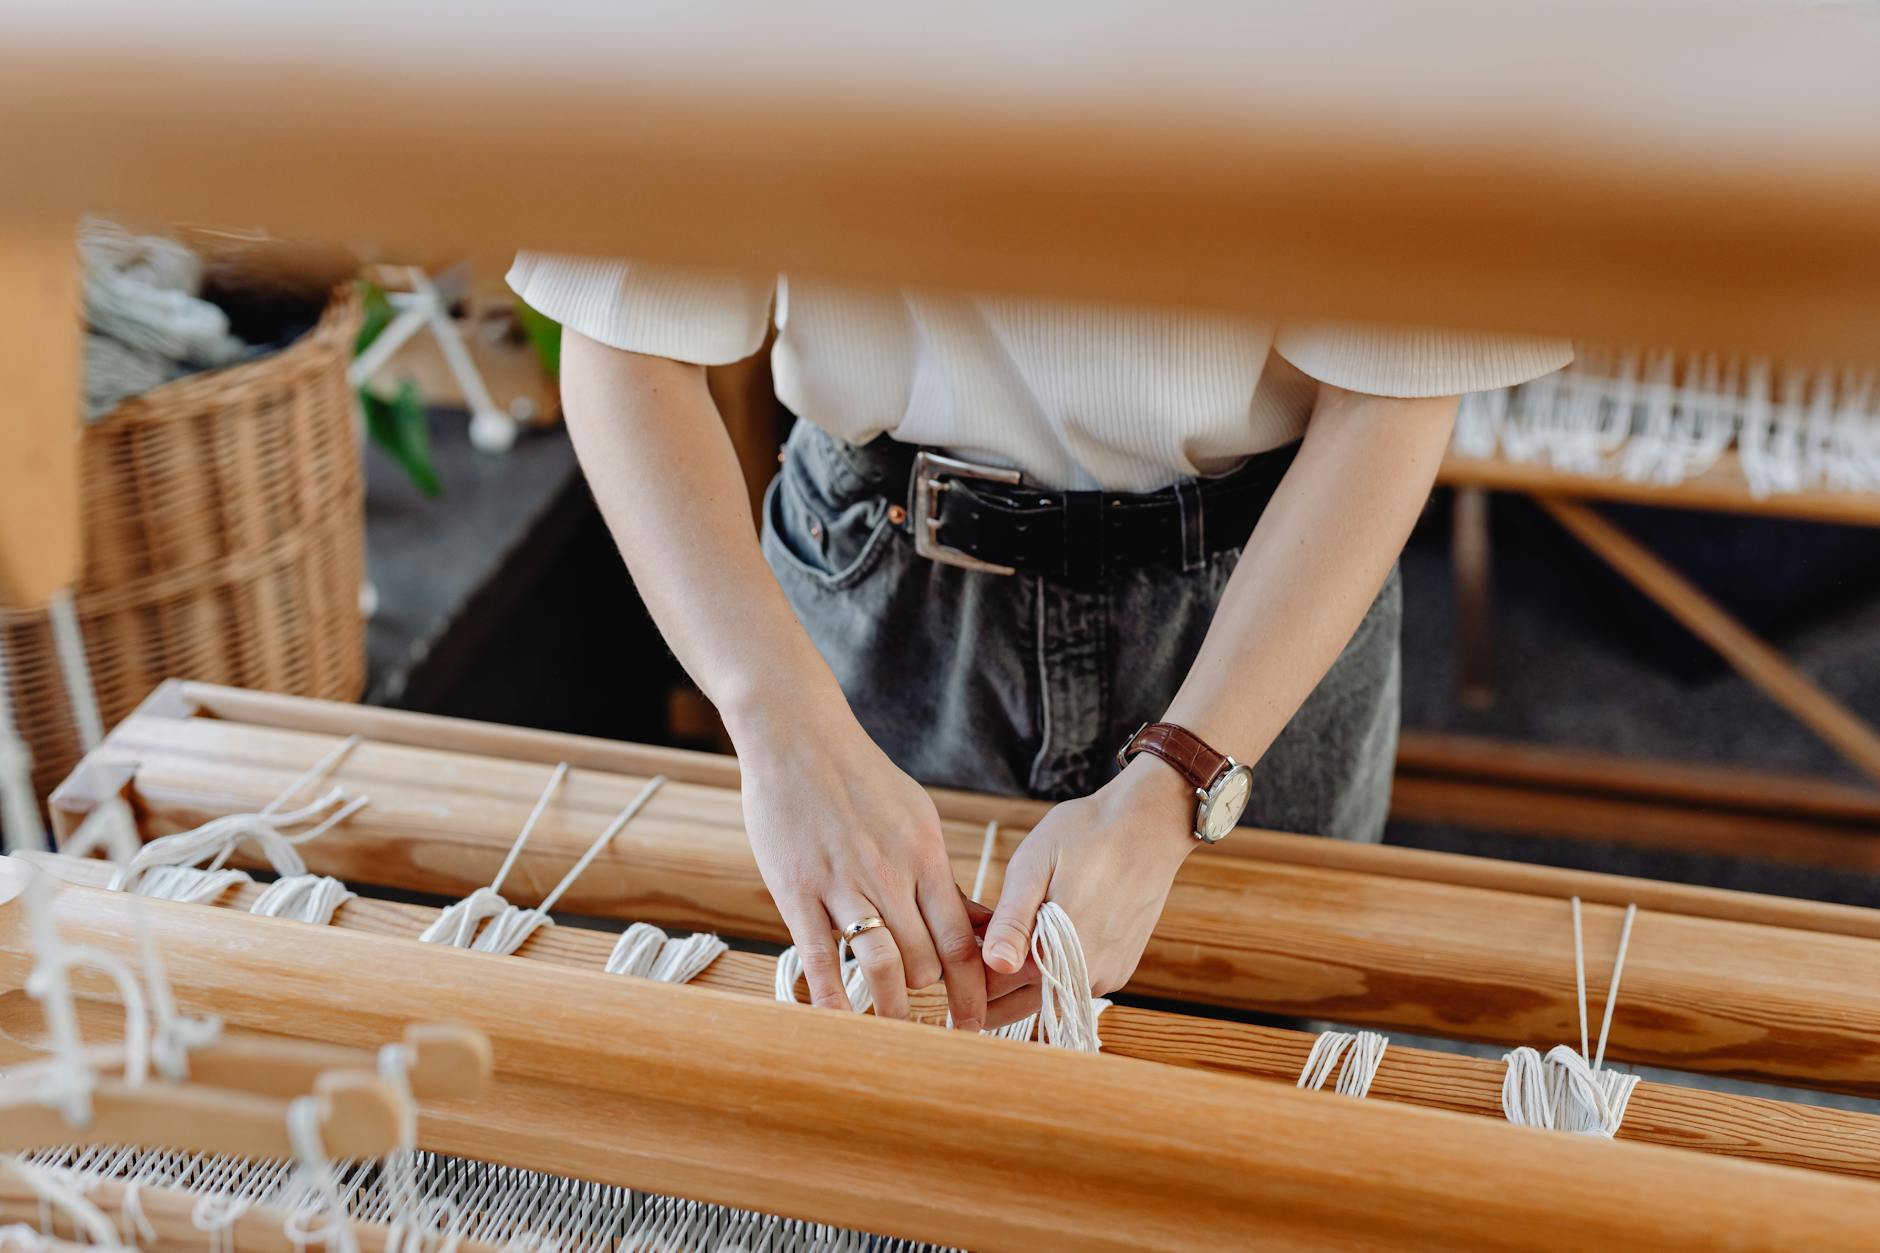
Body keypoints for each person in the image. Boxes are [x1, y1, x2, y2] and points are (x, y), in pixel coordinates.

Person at [510, 254, 1570, 1032]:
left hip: (1265, 595)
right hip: (866, 584)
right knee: (863, 1094)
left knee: (1239, 1112)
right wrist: (780, 724)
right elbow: (624, 337)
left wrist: (1181, 777)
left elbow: (1394, 387)